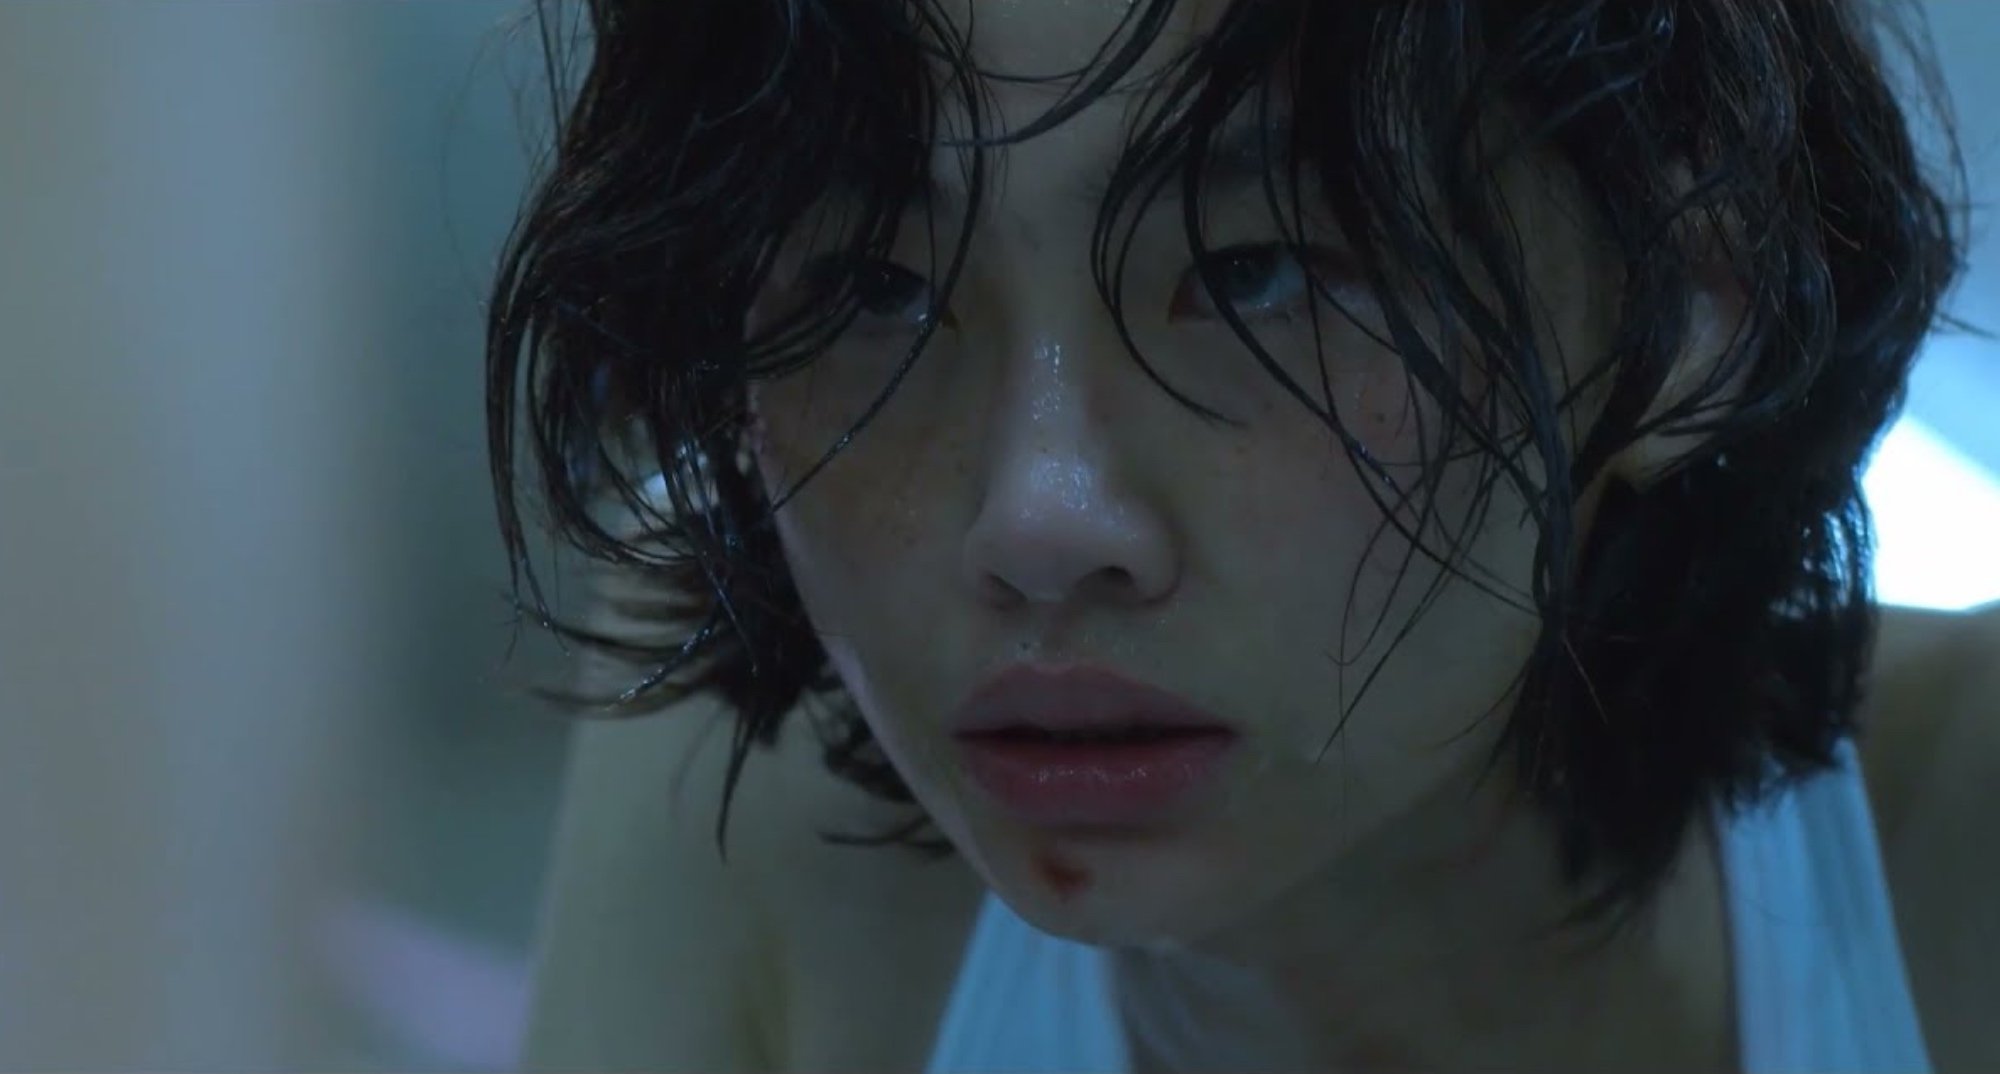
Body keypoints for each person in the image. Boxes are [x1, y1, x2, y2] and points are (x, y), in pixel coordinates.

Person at [483, 0, 1998, 1069]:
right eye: (871, 288)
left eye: (1256, 271)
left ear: (1690, 298)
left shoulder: (1956, 846)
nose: (1041, 520)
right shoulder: (749, 800)